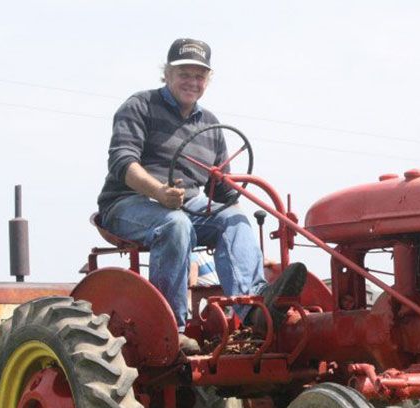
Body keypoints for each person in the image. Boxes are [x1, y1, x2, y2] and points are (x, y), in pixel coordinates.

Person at [96, 38, 304, 353]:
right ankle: (170, 329)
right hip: (129, 202)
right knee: (175, 224)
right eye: (184, 73)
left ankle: (255, 311)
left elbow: (224, 191)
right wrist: (159, 191)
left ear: (207, 81)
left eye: (199, 76)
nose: (192, 82)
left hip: (188, 204)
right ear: (166, 74)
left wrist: (248, 247)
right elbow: (122, 163)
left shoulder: (210, 125)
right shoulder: (140, 106)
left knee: (233, 218)